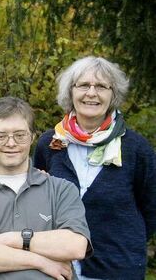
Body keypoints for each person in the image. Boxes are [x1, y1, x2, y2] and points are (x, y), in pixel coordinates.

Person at [33, 56, 156, 280]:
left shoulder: (137, 149)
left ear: (113, 94)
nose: (91, 93)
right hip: (57, 269)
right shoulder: (49, 144)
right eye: (83, 85)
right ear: (71, 92)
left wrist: (126, 245)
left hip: (117, 270)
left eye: (101, 86)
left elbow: (152, 209)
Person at [0, 97, 92, 279]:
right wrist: (43, 262)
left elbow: (75, 246)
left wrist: (11, 239)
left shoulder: (61, 190)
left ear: (32, 136)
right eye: (0, 136)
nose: (11, 143)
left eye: (20, 135)